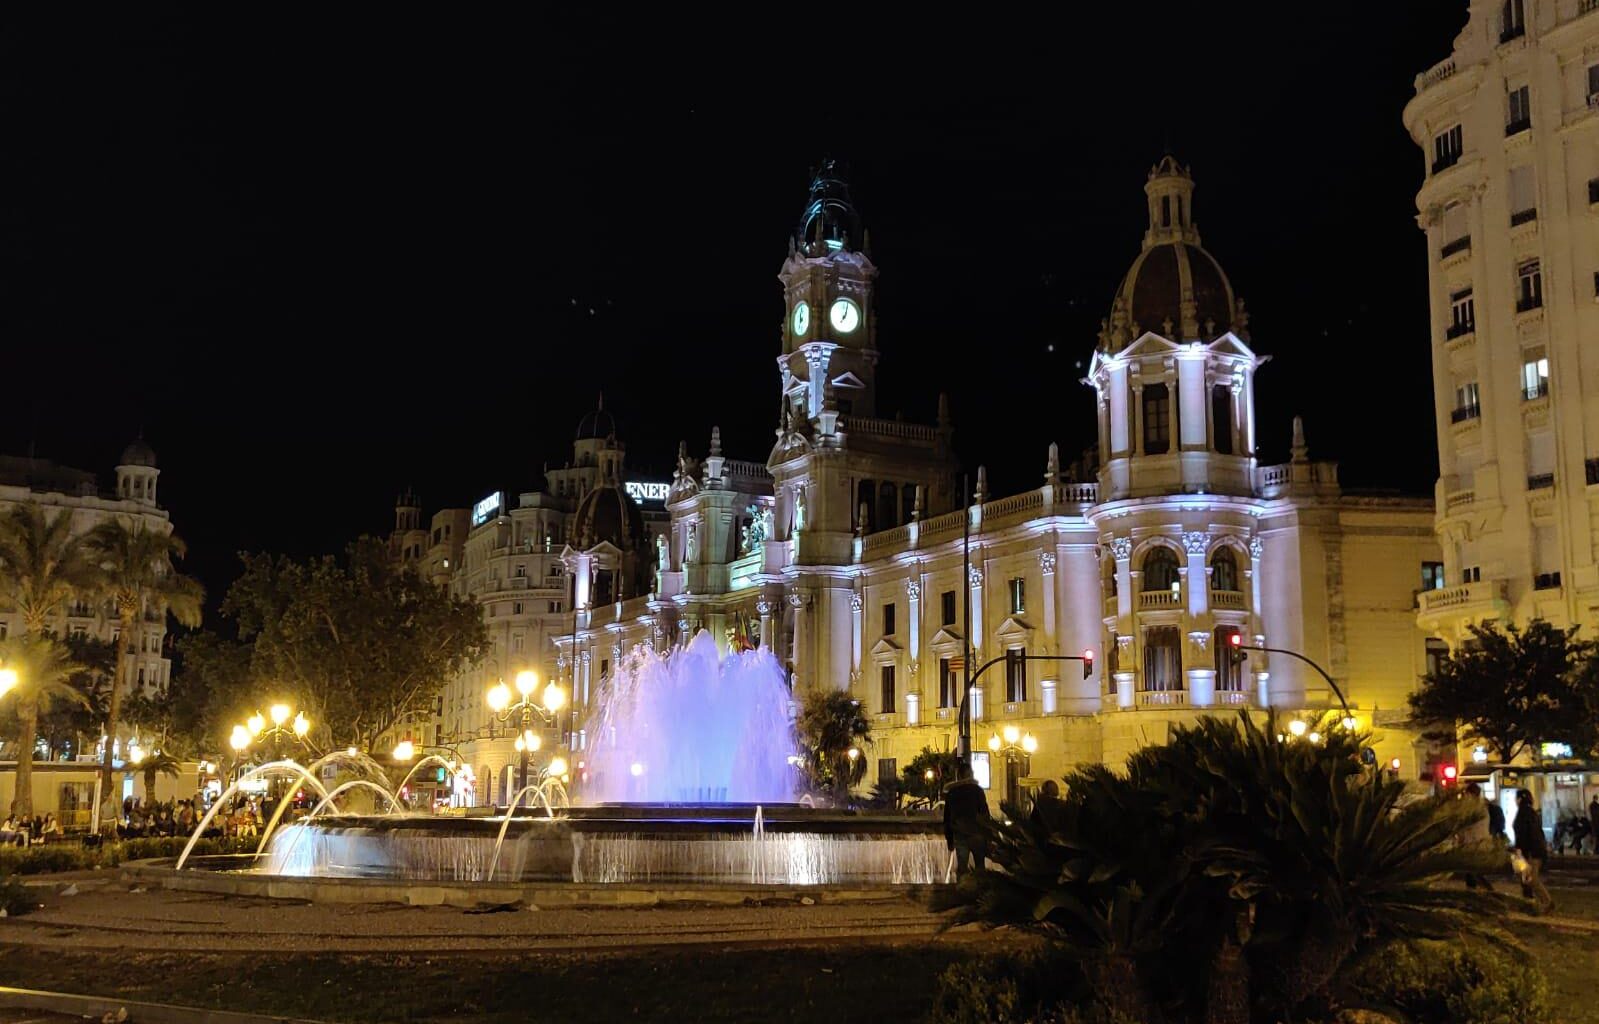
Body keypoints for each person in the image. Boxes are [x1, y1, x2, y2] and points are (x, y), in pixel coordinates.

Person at [942, 762, 991, 876]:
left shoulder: (952, 792)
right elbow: (985, 813)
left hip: (960, 834)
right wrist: (988, 836)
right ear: (970, 774)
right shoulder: (977, 790)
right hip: (976, 833)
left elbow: (947, 818)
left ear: (959, 775)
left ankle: (963, 890)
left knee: (962, 868)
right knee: (980, 866)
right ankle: (981, 891)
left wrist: (949, 840)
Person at [1512, 789, 1553, 912]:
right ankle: (1529, 903)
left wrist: (1521, 851)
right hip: (1536, 850)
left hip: (1531, 852)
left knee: (1531, 879)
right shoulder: (1531, 812)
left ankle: (1546, 902)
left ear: (1520, 799)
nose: (1515, 800)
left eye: (1517, 798)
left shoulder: (1523, 813)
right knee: (1526, 879)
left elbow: (1524, 834)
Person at [1461, 783, 1500, 891]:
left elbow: (1468, 826)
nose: (1465, 796)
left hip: (1475, 844)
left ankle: (1486, 893)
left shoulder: (1475, 808)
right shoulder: (1482, 807)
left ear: (1471, 794)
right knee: (1473, 873)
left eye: (1466, 794)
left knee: (1473, 873)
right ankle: (1478, 893)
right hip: (1477, 843)